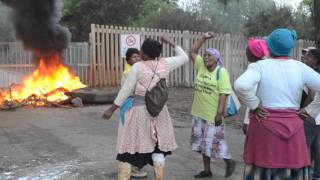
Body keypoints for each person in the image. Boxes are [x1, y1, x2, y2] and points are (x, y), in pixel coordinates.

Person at [234, 28, 320, 179]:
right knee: (291, 169)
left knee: (261, 170)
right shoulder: (300, 67)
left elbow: (241, 85)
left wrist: (254, 103)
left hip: (263, 126)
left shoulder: (259, 66)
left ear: (270, 47)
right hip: (293, 128)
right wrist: (310, 110)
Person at [103, 37, 188, 180]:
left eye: (141, 50)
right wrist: (172, 44)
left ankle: (124, 176)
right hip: (160, 112)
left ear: (145, 54)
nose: (140, 52)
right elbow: (184, 57)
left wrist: (111, 109)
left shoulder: (138, 67)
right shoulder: (165, 64)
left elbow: (126, 90)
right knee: (158, 148)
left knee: (129, 150)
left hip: (140, 112)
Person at [189, 32, 236, 178]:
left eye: (210, 55)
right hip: (198, 112)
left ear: (217, 58)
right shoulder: (201, 66)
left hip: (212, 115)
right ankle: (207, 170)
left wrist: (219, 113)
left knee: (215, 142)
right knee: (202, 145)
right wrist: (203, 38)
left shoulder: (221, 72)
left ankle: (229, 161)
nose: (206, 57)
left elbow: (224, 93)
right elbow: (192, 51)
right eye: (205, 55)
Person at [119, 48, 147, 178]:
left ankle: (129, 166)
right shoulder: (129, 73)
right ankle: (132, 168)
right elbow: (131, 92)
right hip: (131, 107)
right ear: (128, 60)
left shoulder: (133, 70)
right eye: (134, 57)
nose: (137, 59)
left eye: (138, 57)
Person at [300, 48, 320, 179]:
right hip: (317, 116)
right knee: (317, 145)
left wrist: (304, 110)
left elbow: (312, 96)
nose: (304, 59)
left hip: (311, 115)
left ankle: (303, 172)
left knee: (304, 145)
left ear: (316, 60)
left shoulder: (313, 74)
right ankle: (316, 173)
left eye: (307, 58)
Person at [242, 38, 269, 134]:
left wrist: (246, 121)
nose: (246, 53)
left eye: (247, 51)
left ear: (253, 53)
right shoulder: (267, 65)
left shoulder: (256, 69)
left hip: (258, 116)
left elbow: (251, 94)